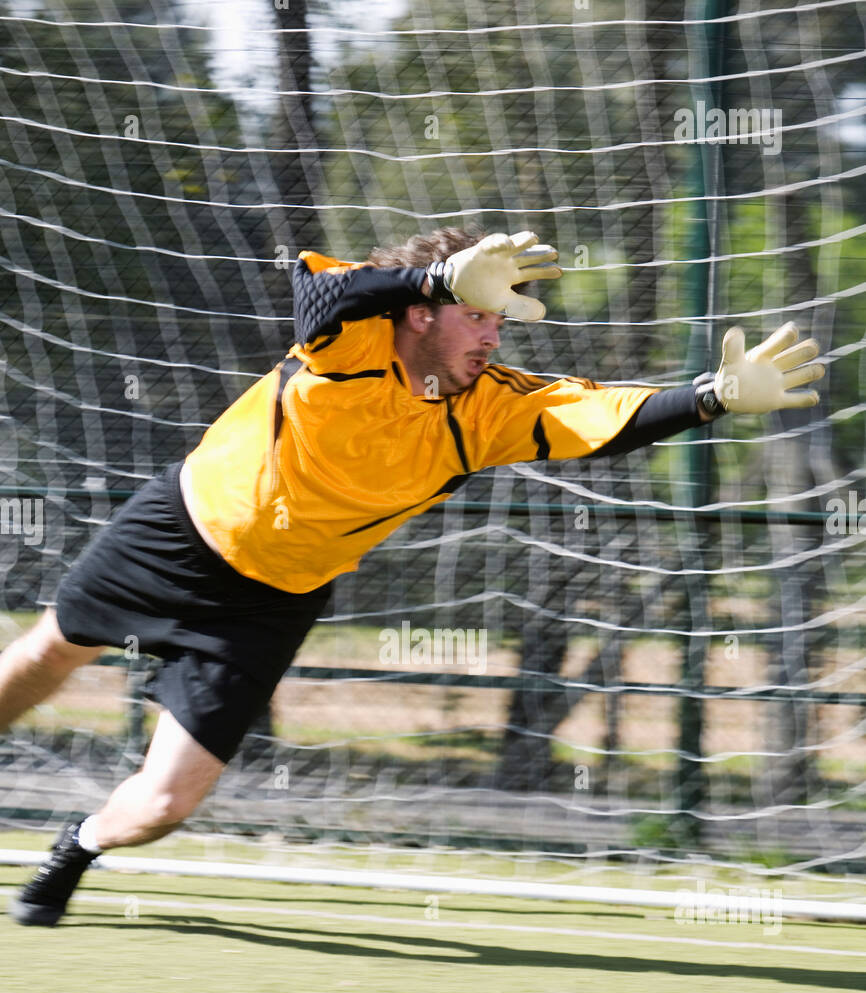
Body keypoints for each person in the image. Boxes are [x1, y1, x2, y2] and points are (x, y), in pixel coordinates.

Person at [2, 228, 824, 926]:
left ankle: (78, 845)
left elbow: (602, 420)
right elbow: (320, 292)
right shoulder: (351, 341)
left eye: (499, 322)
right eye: (477, 315)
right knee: (45, 658)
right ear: (419, 313)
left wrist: (711, 397)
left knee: (159, 808)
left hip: (271, 603)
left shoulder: (491, 408)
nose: (493, 337)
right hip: (177, 536)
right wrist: (432, 274)